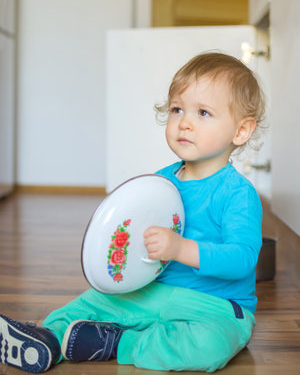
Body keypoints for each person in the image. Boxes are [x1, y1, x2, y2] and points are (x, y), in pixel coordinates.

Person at [0, 52, 265, 373]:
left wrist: (180, 248)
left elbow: (242, 259)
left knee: (208, 347)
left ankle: (117, 343)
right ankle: (48, 338)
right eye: (177, 109)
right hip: (152, 292)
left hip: (214, 306)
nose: (185, 122)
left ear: (241, 131)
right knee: (92, 301)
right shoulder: (160, 184)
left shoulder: (238, 194)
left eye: (204, 112)